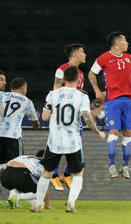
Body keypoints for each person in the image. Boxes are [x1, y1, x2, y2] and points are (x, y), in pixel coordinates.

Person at [31, 66, 105, 213]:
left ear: (64, 79)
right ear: (78, 80)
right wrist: (98, 132)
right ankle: (71, 204)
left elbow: (45, 116)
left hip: (55, 141)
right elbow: (87, 119)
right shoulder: (82, 97)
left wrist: (56, 118)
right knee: (78, 173)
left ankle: (38, 204)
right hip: (73, 142)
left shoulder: (52, 94)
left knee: (46, 173)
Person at [88, 31, 131, 179]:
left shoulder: (130, 58)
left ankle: (125, 166)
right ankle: (111, 165)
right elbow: (91, 74)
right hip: (113, 100)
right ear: (117, 43)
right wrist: (97, 90)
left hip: (129, 100)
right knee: (113, 131)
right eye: (125, 41)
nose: (127, 43)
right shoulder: (104, 57)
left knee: (128, 133)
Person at [50, 43, 87, 191]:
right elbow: (56, 89)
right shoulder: (61, 70)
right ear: (75, 54)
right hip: (62, 116)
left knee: (76, 146)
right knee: (59, 145)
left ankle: (66, 174)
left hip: (75, 118)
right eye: (83, 52)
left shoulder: (81, 74)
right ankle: (53, 175)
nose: (85, 55)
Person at [0, 77, 40, 166]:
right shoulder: (27, 101)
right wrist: (36, 121)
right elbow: (35, 125)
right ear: (23, 88)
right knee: (16, 166)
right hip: (13, 138)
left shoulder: (2, 95)